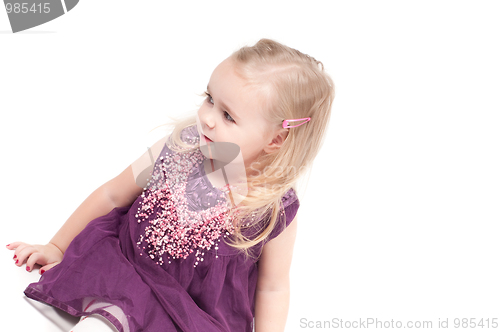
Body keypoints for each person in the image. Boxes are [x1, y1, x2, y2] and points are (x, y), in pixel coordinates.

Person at [6, 38, 335, 332]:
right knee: (103, 322)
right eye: (210, 99)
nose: (207, 117)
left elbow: (272, 288)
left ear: (275, 139)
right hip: (128, 267)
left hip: (192, 313)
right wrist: (58, 246)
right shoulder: (181, 148)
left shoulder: (273, 206)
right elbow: (111, 194)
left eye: (228, 116)